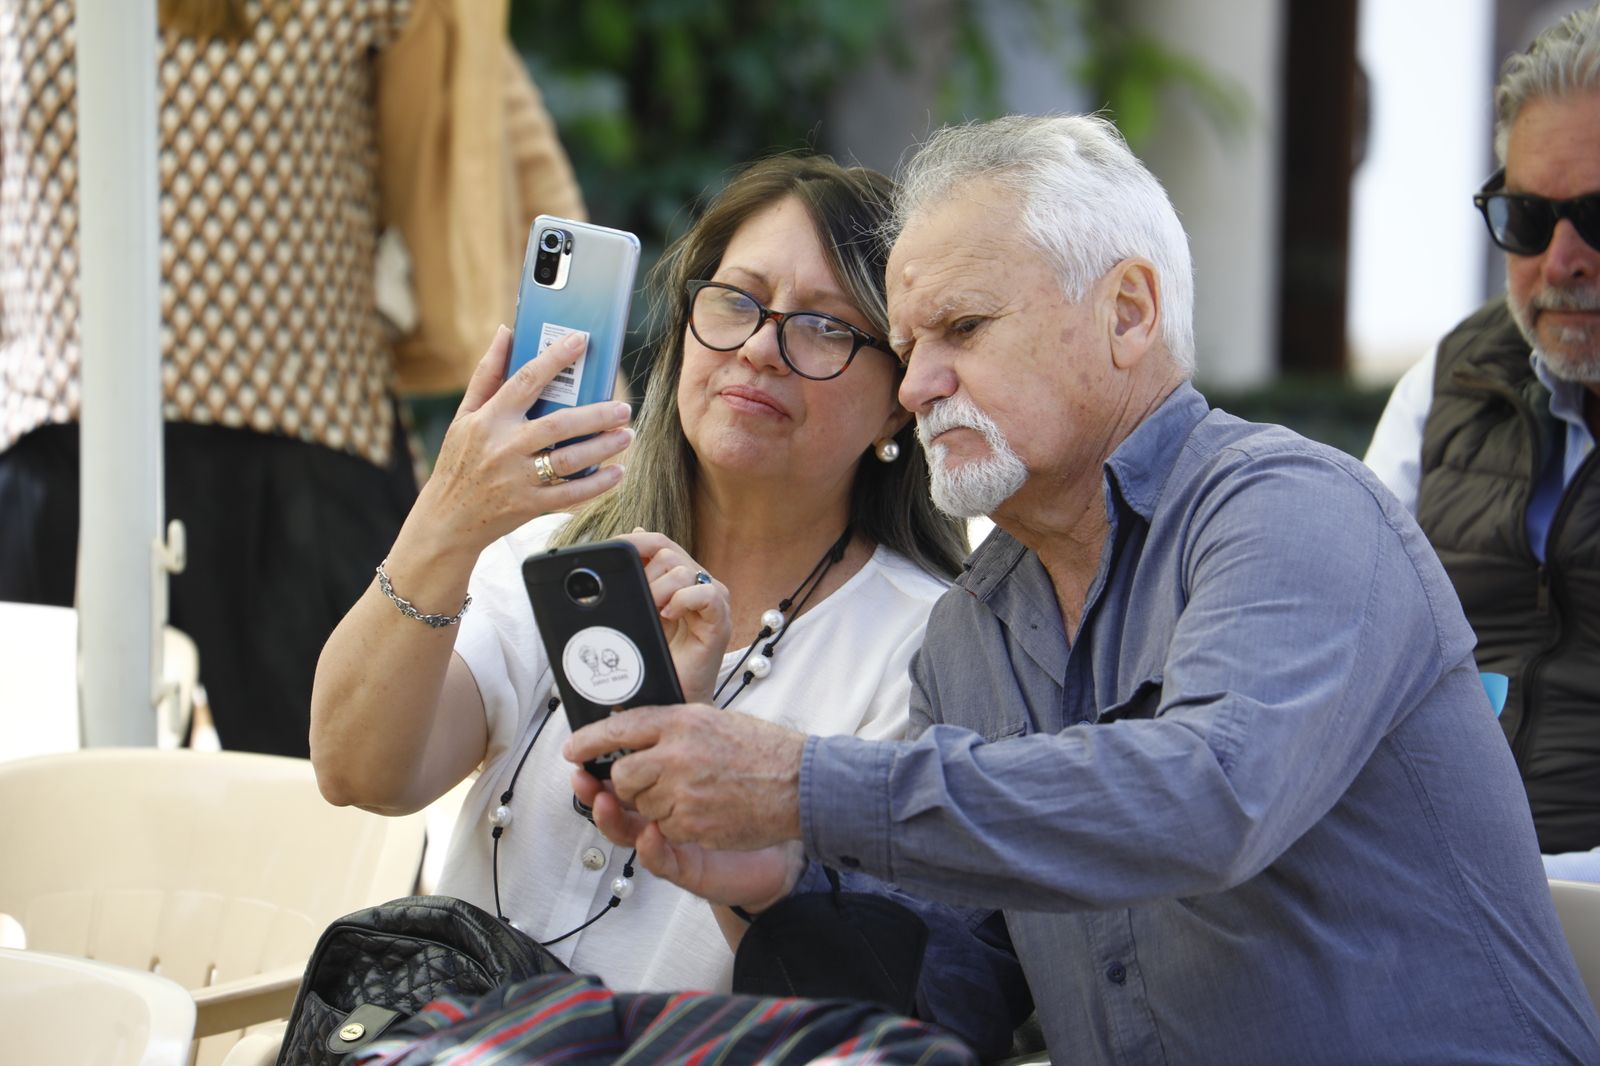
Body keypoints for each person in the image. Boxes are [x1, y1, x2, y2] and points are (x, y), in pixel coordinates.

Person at [567, 114, 1600, 1064]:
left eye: (961, 329)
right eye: (909, 342)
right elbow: (946, 995)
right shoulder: (967, 634)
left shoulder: (1290, 509)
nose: (918, 382)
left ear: (1128, 311)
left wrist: (801, 785)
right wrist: (773, 882)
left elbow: (1209, 797)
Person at [310, 156, 980, 1011]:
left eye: (824, 326)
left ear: (899, 400)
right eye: (735, 301)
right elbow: (359, 769)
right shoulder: (555, 553)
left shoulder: (923, 646)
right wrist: (449, 514)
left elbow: (860, 991)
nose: (760, 348)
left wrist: (697, 760)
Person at [0, 0, 583, 756]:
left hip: (284, 456)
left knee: (315, 818)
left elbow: (511, 164)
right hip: (95, 455)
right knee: (58, 834)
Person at [1365, 4, 1600, 880]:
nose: (1562, 260)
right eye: (1531, 218)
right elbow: (1342, 629)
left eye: (1599, 217)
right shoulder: (1450, 377)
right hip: (1435, 888)